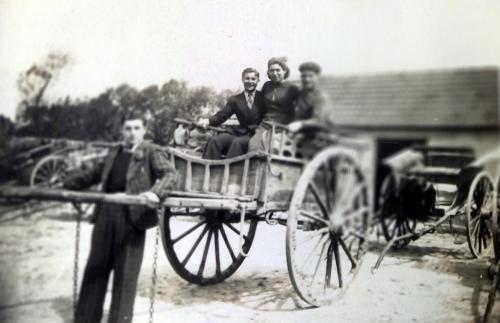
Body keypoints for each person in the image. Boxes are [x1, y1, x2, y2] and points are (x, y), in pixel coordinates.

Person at [64, 111, 178, 323]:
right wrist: (68, 182)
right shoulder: (114, 151)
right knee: (95, 268)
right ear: (122, 131)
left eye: (136, 128)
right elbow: (94, 174)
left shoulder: (151, 151)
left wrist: (155, 193)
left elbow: (171, 174)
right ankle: (86, 319)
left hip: (132, 217)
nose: (132, 133)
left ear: (143, 130)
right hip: (105, 214)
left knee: (125, 276)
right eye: (128, 128)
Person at [198, 67, 264, 159]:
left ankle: (228, 172)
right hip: (238, 133)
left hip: (255, 136)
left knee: (237, 143)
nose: (250, 81)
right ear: (242, 80)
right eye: (247, 78)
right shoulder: (235, 99)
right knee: (215, 141)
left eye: (253, 79)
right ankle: (207, 170)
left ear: (258, 80)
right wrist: (208, 121)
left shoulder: (263, 98)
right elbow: (222, 115)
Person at [248, 57, 300, 152]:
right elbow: (261, 108)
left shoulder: (292, 88)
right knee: (253, 145)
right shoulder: (267, 86)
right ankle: (253, 167)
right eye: (271, 70)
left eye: (278, 70)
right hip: (264, 126)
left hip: (282, 128)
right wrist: (255, 124)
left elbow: (299, 111)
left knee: (271, 147)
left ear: (284, 71)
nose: (275, 73)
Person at [288, 61, 332, 133]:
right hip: (302, 135)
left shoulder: (321, 97)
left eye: (310, 76)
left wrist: (300, 123)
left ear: (317, 77)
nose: (307, 79)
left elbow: (318, 120)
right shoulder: (301, 93)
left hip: (320, 136)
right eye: (304, 76)